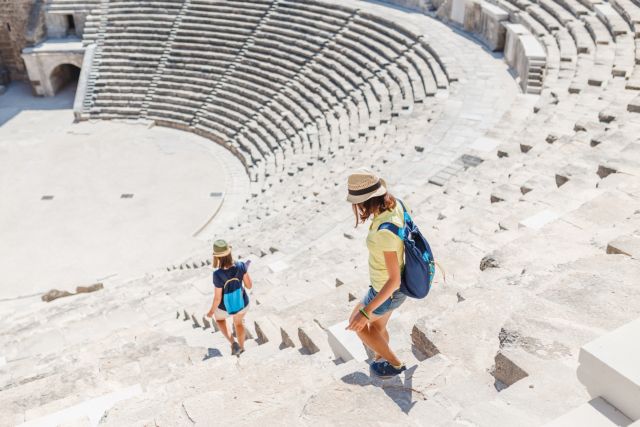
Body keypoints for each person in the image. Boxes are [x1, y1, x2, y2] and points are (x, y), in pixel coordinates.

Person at [346, 169, 407, 378]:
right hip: (387, 287)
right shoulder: (395, 205)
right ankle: (381, 358)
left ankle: (395, 364)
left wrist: (365, 312)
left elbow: (394, 281)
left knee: (359, 324)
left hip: (387, 290)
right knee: (377, 327)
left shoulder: (384, 233)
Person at [206, 240, 253, 356]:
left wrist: (211, 312)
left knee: (220, 320)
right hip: (242, 303)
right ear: (229, 253)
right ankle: (241, 348)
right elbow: (249, 285)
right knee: (239, 323)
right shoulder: (241, 266)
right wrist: (244, 271)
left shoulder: (217, 274)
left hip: (225, 307)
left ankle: (233, 342)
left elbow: (217, 298)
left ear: (217, 257)